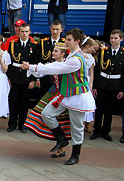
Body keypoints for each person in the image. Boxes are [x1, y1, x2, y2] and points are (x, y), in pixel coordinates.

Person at [22, 27, 95, 165]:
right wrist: (33, 67)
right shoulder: (71, 56)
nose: (66, 42)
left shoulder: (76, 60)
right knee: (46, 113)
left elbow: (56, 68)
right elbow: (55, 66)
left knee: (77, 126)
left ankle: (75, 155)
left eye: (69, 40)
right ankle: (61, 138)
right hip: (66, 95)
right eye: (66, 39)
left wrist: (33, 67)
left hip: (78, 97)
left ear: (77, 41)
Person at [24, 43, 71, 153]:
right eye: (53, 50)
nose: (53, 52)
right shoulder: (52, 64)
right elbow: (40, 72)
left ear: (62, 54)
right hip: (53, 93)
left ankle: (62, 147)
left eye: (56, 51)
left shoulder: (67, 65)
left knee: (62, 121)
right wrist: (30, 68)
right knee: (48, 117)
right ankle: (61, 144)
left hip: (63, 94)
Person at [90, 29, 124, 141]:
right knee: (99, 109)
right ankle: (96, 130)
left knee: (109, 111)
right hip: (102, 84)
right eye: (111, 38)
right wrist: (95, 86)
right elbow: (97, 70)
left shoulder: (123, 54)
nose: (113, 40)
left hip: (115, 85)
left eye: (115, 38)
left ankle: (106, 131)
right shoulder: (104, 52)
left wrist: (122, 89)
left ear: (121, 39)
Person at [6, 23, 38, 133]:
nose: (24, 34)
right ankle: (12, 124)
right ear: (18, 32)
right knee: (13, 101)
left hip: (27, 77)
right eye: (22, 31)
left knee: (24, 103)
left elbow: (35, 64)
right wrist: (8, 77)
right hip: (15, 77)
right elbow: (9, 62)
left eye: (26, 31)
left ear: (29, 32)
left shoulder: (34, 46)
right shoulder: (13, 45)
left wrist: (33, 80)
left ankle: (23, 124)